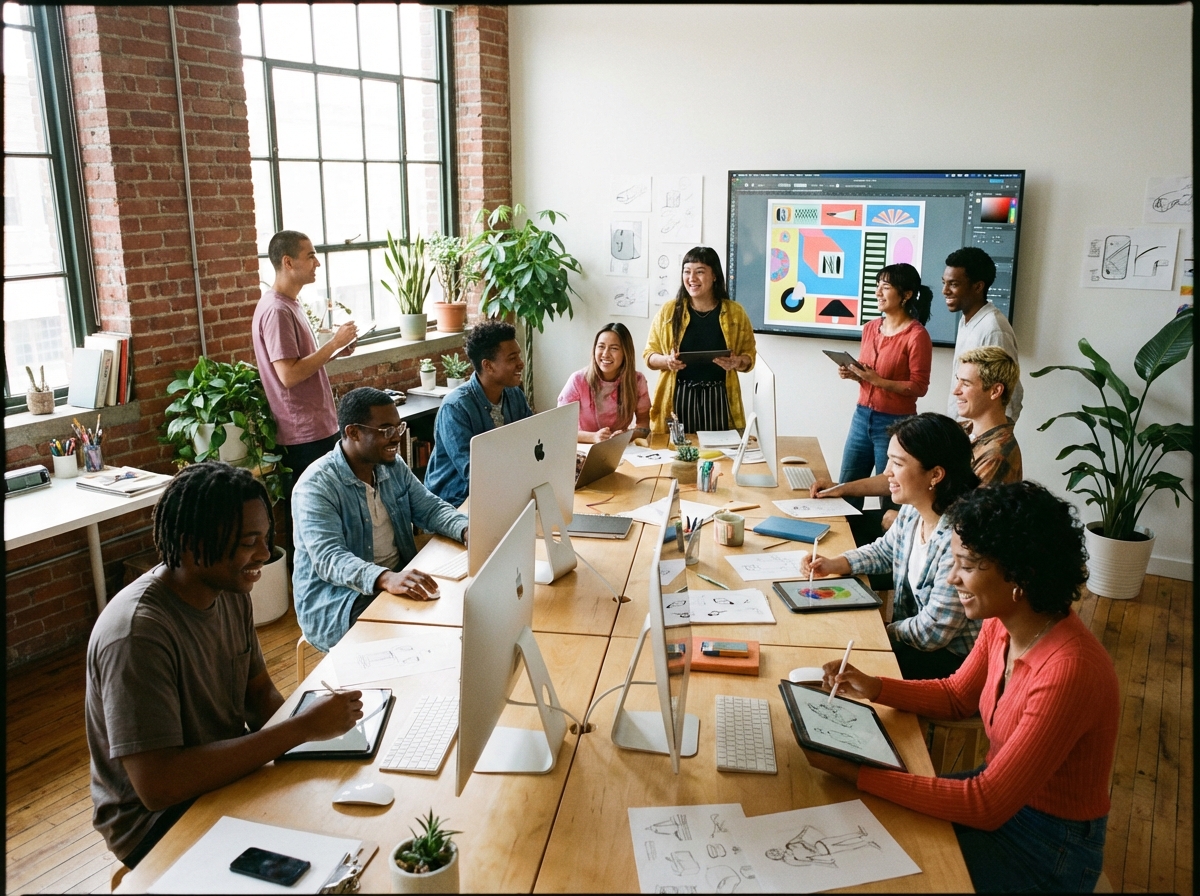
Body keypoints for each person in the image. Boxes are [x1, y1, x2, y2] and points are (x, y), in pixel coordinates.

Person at [807, 481, 1118, 894]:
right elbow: (956, 696)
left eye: (967, 565)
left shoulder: (1070, 671)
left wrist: (856, 771)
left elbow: (984, 804)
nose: (951, 577)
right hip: (1001, 798)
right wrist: (875, 687)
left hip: (1047, 847)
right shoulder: (1003, 621)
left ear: (1020, 574)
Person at [85, 463, 363, 869]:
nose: (266, 555)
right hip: (157, 824)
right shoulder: (136, 634)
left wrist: (322, 747)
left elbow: (258, 694)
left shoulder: (229, 589)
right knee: (324, 861)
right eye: (250, 542)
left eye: (265, 538)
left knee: (347, 827)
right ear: (190, 543)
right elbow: (159, 786)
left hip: (225, 780)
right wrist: (301, 729)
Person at [801, 413, 981, 679]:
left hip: (949, 662)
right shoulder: (913, 509)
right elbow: (886, 550)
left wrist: (880, 632)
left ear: (936, 475)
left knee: (832, 666)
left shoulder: (960, 539)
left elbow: (934, 632)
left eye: (897, 463)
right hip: (912, 639)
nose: (886, 472)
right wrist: (837, 563)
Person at [292, 387, 469, 652]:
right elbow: (329, 559)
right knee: (418, 644)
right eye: (386, 430)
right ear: (353, 432)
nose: (396, 438)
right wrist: (385, 578)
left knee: (461, 610)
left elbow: (430, 508)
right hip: (339, 601)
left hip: (393, 581)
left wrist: (467, 530)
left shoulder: (392, 466)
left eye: (398, 428)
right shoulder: (315, 486)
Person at [812, 346, 1022, 529]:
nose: (956, 391)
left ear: (995, 391)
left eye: (965, 384)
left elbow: (966, 522)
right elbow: (902, 476)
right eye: (957, 382)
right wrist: (841, 488)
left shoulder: (997, 455)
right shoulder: (961, 430)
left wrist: (908, 523)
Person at [252, 230, 358, 495]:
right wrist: (333, 343)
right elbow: (288, 375)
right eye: (310, 256)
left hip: (316, 427)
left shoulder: (290, 304)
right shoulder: (277, 310)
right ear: (288, 262)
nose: (317, 263)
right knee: (314, 512)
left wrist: (336, 350)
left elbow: (302, 363)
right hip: (302, 434)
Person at [832, 263, 933, 515]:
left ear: (906, 294)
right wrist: (855, 375)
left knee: (892, 499)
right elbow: (871, 376)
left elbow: (919, 387)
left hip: (896, 425)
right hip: (861, 417)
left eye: (885, 287)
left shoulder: (916, 335)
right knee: (846, 489)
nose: (878, 292)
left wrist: (879, 381)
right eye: (877, 286)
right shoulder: (869, 328)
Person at [643, 246, 756, 434]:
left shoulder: (735, 313)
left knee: (720, 455)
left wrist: (738, 361)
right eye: (687, 272)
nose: (692, 278)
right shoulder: (669, 311)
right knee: (679, 455)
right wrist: (667, 361)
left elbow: (749, 356)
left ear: (714, 276)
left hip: (719, 397)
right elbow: (649, 355)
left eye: (700, 272)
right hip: (679, 397)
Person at [423, 319, 533, 508]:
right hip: (456, 501)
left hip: (501, 491)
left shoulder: (514, 394)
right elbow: (473, 475)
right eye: (512, 358)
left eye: (519, 356)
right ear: (488, 366)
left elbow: (533, 441)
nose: (521, 364)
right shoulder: (455, 407)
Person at [942, 246, 1023, 422]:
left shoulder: (993, 329)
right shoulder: (967, 321)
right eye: (944, 283)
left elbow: (1009, 395)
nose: (945, 291)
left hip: (982, 438)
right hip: (962, 433)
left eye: (954, 284)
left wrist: (992, 439)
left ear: (978, 286)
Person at [558, 322, 650, 443]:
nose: (606, 354)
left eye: (614, 348)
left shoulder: (637, 380)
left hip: (621, 449)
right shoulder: (577, 380)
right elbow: (560, 428)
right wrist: (593, 437)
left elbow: (644, 425)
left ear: (625, 353)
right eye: (601, 346)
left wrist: (627, 435)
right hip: (584, 449)